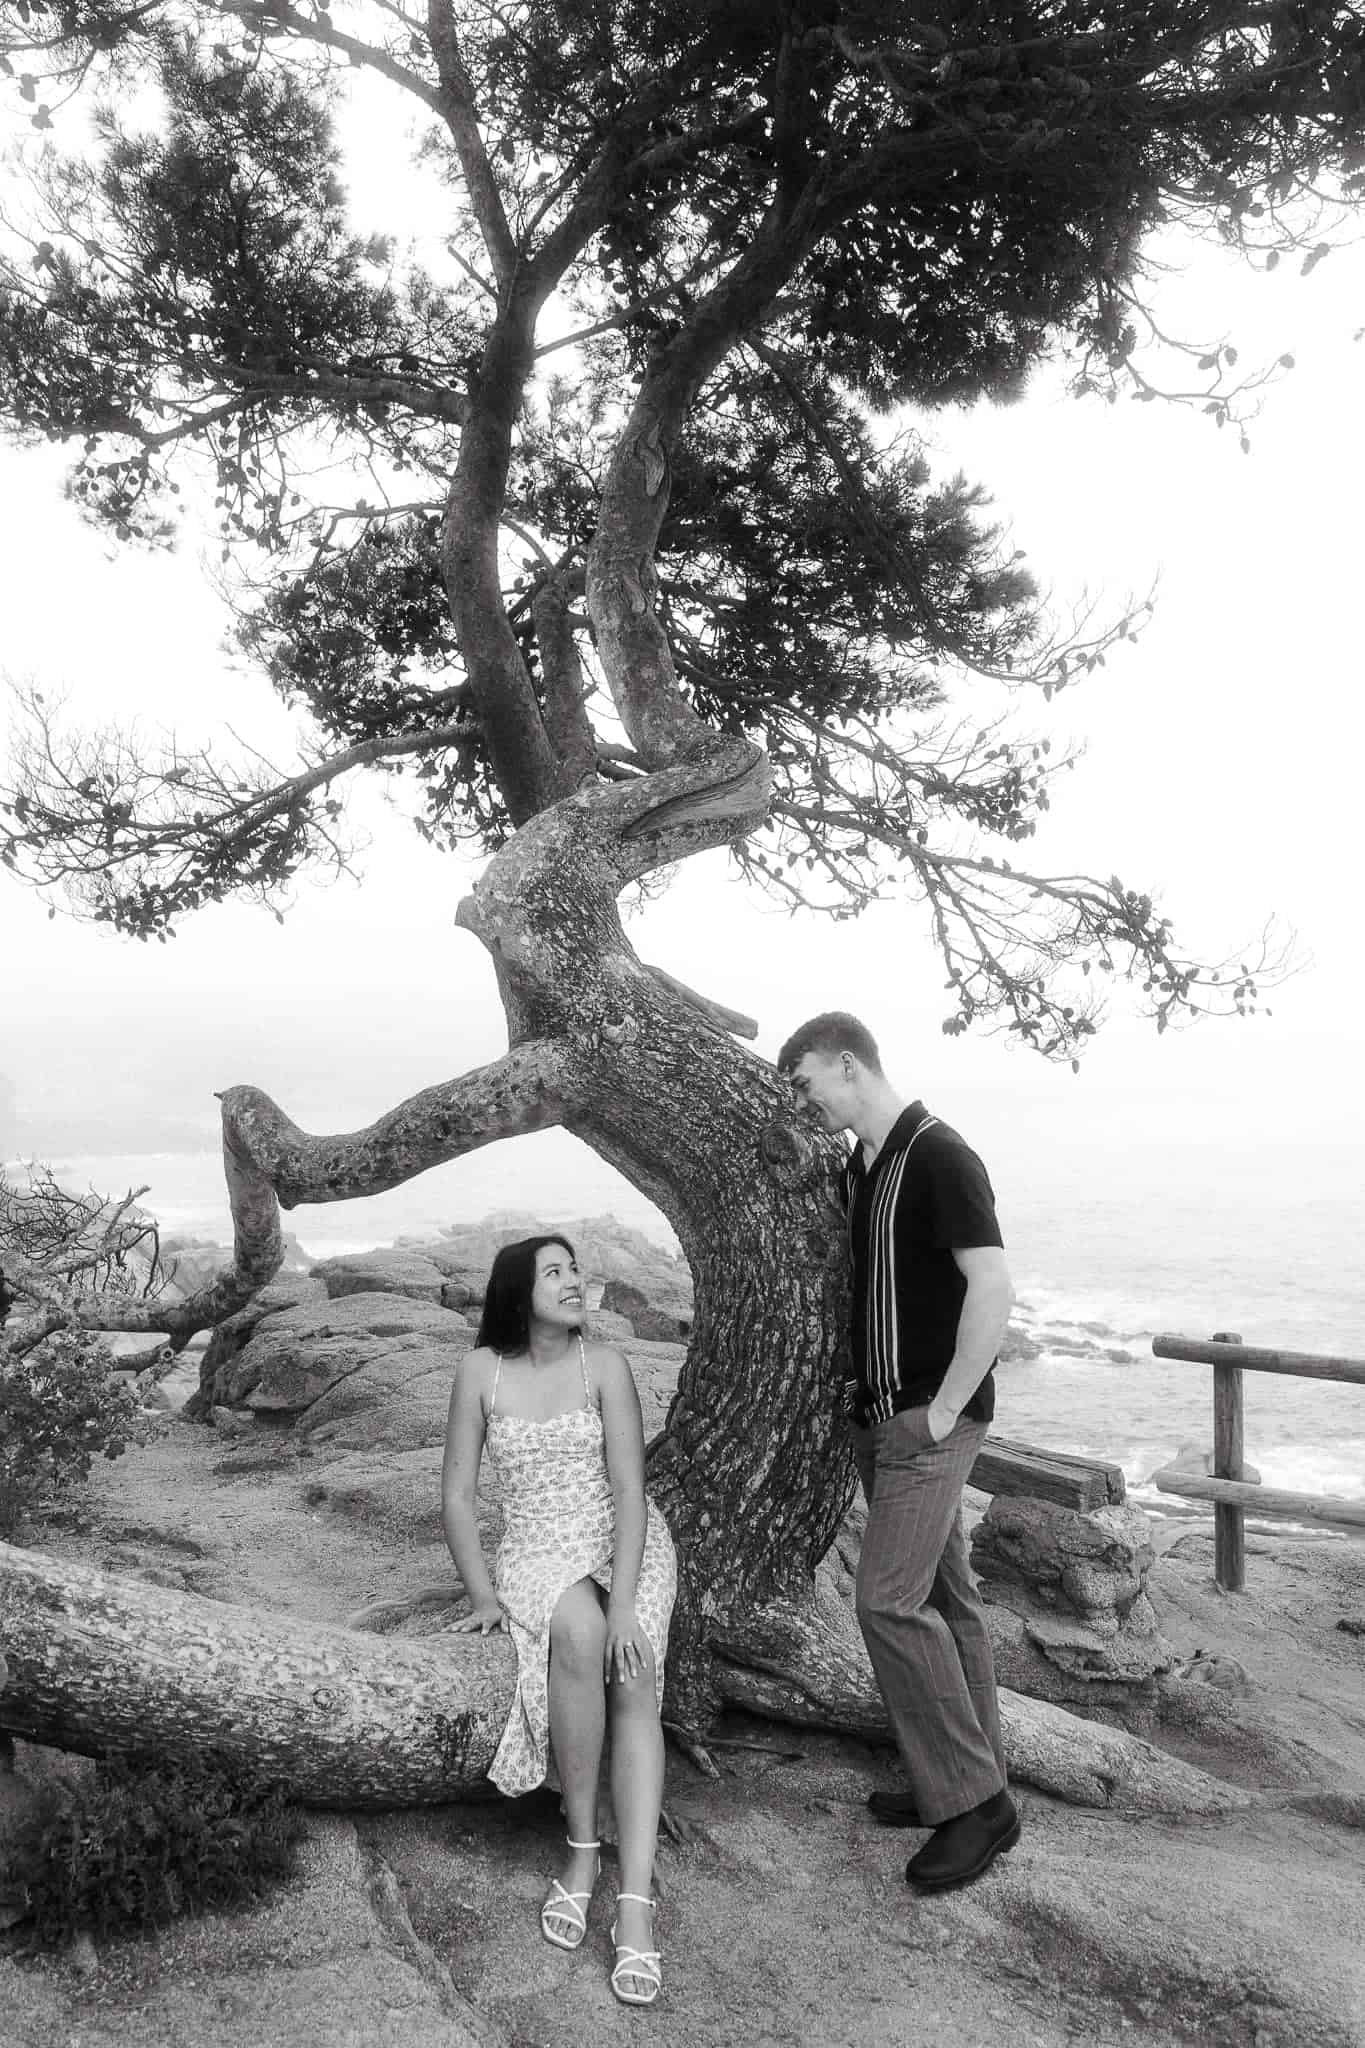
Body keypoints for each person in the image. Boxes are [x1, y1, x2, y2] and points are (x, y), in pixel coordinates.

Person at [777, 1013, 1020, 1893]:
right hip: (880, 1417)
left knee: (884, 1602)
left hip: (928, 1418)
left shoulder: (938, 1153)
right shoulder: (863, 1164)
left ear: (848, 1065)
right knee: (947, 1602)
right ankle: (962, 1776)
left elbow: (990, 1283)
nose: (801, 1102)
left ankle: (974, 1811)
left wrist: (945, 1409)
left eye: (805, 1083)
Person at [441, 1234, 676, 2006]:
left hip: (621, 1536)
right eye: (555, 1272)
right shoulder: (480, 1370)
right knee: (577, 1634)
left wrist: (630, 1603)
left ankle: (635, 1903)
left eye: (575, 1269)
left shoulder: (604, 1366)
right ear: (517, 1291)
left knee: (631, 1667)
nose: (574, 1282)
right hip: (537, 1547)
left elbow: (632, 1493)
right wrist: (480, 1596)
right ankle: (580, 1851)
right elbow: (458, 1495)